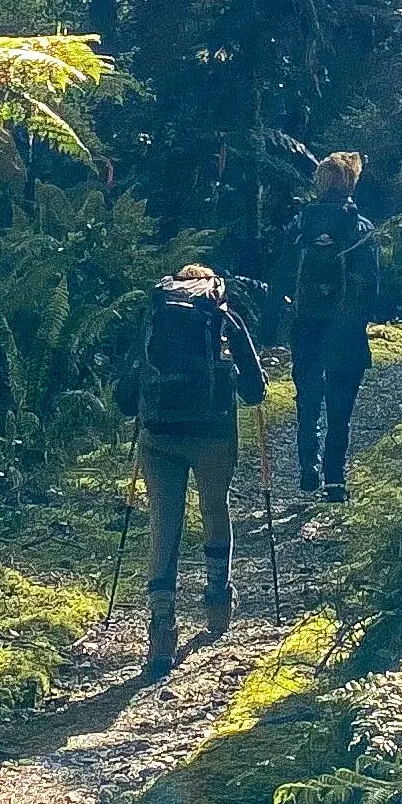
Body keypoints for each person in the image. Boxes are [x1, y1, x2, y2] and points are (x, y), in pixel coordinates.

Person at [114, 262, 263, 677]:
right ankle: (218, 598)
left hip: (158, 434)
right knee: (215, 508)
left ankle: (161, 629)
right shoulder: (222, 315)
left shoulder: (153, 313)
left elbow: (124, 395)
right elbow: (255, 392)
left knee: (164, 525)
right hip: (212, 432)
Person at [285, 152, 385, 500]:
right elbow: (371, 284)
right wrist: (360, 321)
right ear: (351, 184)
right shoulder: (361, 228)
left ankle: (307, 465)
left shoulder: (300, 225)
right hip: (346, 332)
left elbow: (282, 275)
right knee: (340, 407)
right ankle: (335, 479)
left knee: (308, 398)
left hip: (306, 325)